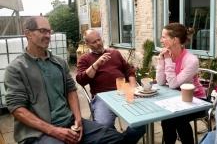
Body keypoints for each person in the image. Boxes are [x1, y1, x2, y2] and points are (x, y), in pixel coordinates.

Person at [4, 16, 134, 144]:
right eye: (43, 31)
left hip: (69, 121)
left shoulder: (59, 63)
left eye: (49, 32)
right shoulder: (16, 68)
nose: (48, 35)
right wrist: (54, 130)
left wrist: (78, 119)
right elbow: (17, 109)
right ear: (28, 34)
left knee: (115, 138)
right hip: (38, 132)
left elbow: (71, 90)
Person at [76, 29, 145, 142]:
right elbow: (81, 80)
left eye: (99, 40)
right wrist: (96, 64)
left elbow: (129, 70)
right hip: (103, 98)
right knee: (103, 126)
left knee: (142, 121)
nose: (98, 43)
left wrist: (134, 87)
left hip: (124, 93)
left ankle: (119, 141)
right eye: (94, 42)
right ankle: (120, 140)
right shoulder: (85, 59)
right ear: (87, 44)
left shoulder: (114, 53)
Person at [156, 22, 206, 144]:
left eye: (164, 37)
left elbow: (173, 84)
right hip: (175, 98)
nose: (161, 40)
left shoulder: (191, 60)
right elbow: (160, 82)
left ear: (175, 40)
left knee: (177, 118)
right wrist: (161, 61)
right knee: (168, 119)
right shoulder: (168, 55)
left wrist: (167, 59)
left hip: (196, 100)